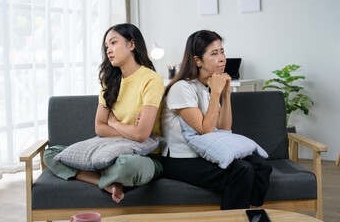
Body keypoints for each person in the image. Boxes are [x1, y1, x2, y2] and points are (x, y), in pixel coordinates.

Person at [44, 23, 164, 203]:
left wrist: (114, 123)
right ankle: (104, 181)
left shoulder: (151, 80)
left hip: (144, 156)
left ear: (132, 45)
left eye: (114, 43)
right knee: (52, 153)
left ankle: (102, 172)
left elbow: (142, 135)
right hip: (108, 151)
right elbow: (99, 128)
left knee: (126, 166)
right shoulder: (109, 82)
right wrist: (130, 130)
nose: (109, 50)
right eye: (106, 46)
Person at [161, 30, 272, 210]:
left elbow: (224, 128)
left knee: (260, 166)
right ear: (197, 60)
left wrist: (226, 93)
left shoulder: (206, 87)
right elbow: (206, 130)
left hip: (203, 154)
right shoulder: (182, 88)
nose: (222, 58)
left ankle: (250, 214)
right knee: (242, 171)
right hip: (179, 160)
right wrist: (216, 93)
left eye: (222, 51)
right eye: (214, 53)